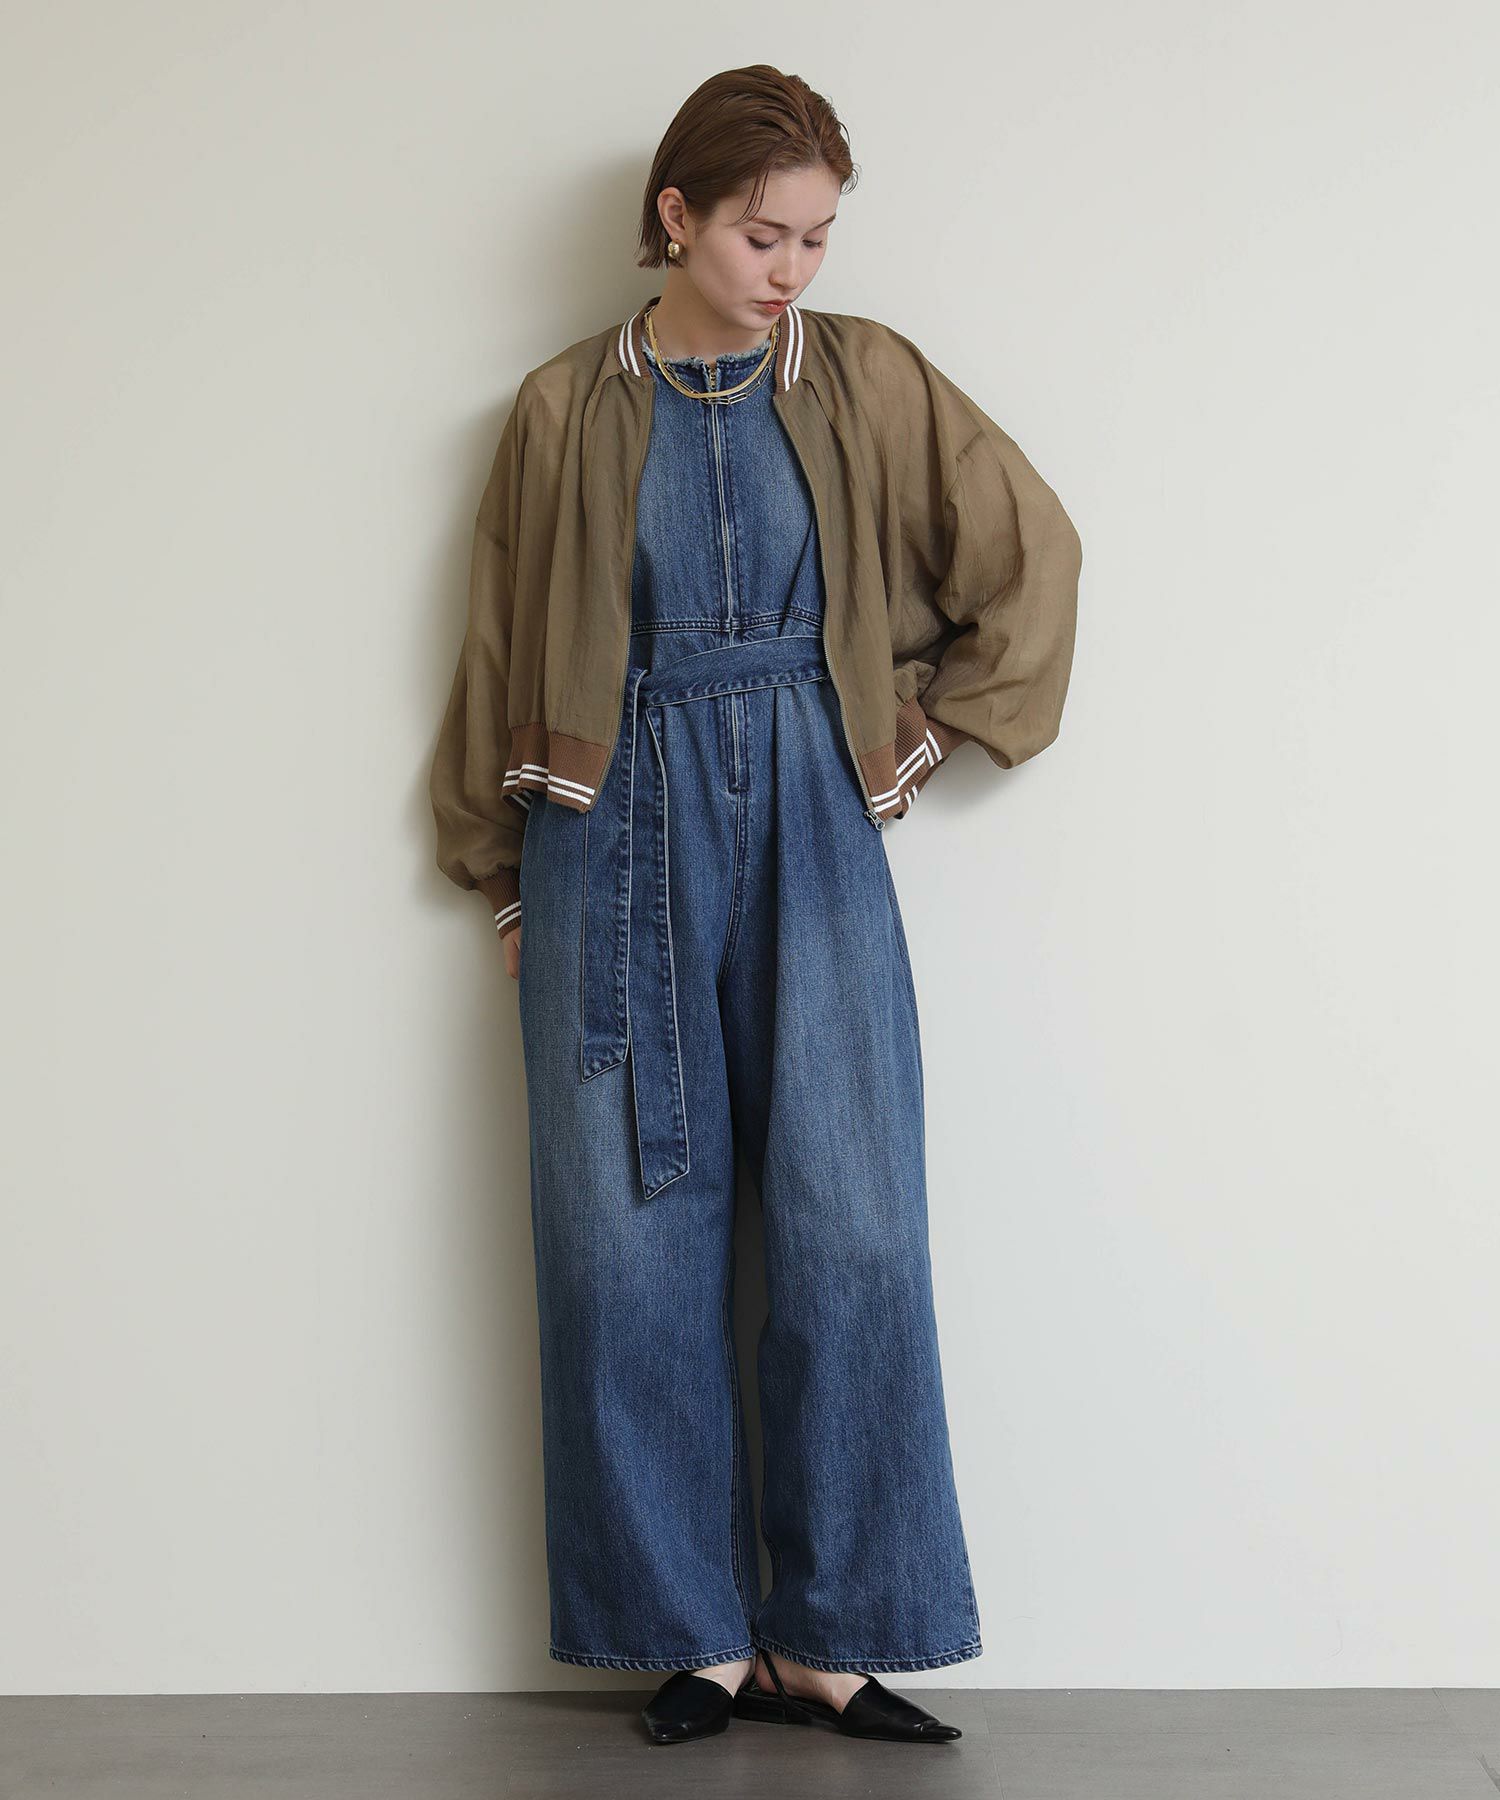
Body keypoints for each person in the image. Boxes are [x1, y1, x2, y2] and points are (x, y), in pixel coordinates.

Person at [429, 65, 1082, 1748]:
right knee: (620, 1242)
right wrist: (499, 872)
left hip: (812, 807)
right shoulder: (561, 409)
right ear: (677, 217)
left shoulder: (870, 380)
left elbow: (1032, 557)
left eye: (815, 238)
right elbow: (499, 648)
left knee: (853, 1221)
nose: (792, 268)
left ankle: (836, 1633)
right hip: (606, 824)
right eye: (761, 234)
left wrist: (916, 737)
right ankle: (692, 1633)